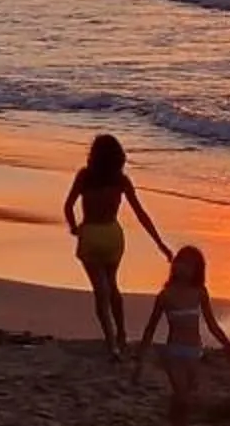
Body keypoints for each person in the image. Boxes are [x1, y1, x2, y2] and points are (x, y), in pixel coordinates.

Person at [64, 133, 171, 357]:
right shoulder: (121, 180)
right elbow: (141, 214)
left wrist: (74, 227)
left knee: (100, 292)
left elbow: (68, 206)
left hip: (91, 234)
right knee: (112, 286)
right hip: (112, 235)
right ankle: (122, 333)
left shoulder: (85, 176)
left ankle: (112, 342)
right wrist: (160, 244)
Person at [131, 245, 230, 426]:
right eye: (180, 262)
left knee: (184, 401)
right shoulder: (166, 295)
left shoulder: (199, 293)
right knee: (182, 397)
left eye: (189, 264)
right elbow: (150, 328)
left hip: (194, 352)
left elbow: (212, 325)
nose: (183, 268)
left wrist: (229, 346)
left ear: (197, 269)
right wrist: (140, 359)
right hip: (175, 353)